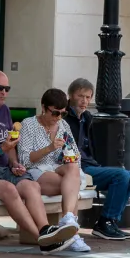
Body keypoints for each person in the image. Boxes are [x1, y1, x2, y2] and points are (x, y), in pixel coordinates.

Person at [0, 71, 77, 253]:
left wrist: (14, 163)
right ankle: (42, 240)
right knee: (9, 190)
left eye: (7, 89)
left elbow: (10, 143)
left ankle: (46, 230)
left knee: (31, 187)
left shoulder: (4, 109)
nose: (4, 92)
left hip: (5, 167)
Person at [66, 78, 130, 240]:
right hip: (76, 167)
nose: (84, 101)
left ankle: (110, 221)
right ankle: (104, 223)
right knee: (122, 176)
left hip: (90, 164)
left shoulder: (87, 118)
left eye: (88, 97)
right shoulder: (64, 119)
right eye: (80, 96)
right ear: (70, 96)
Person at [18, 88, 86, 248]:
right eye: (55, 113)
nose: (58, 118)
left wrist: (69, 155)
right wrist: (49, 148)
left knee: (73, 168)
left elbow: (76, 155)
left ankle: (68, 218)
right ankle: (73, 235)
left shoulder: (63, 125)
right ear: (43, 107)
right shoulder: (29, 124)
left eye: (63, 113)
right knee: (71, 186)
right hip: (37, 169)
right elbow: (25, 160)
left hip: (58, 167)